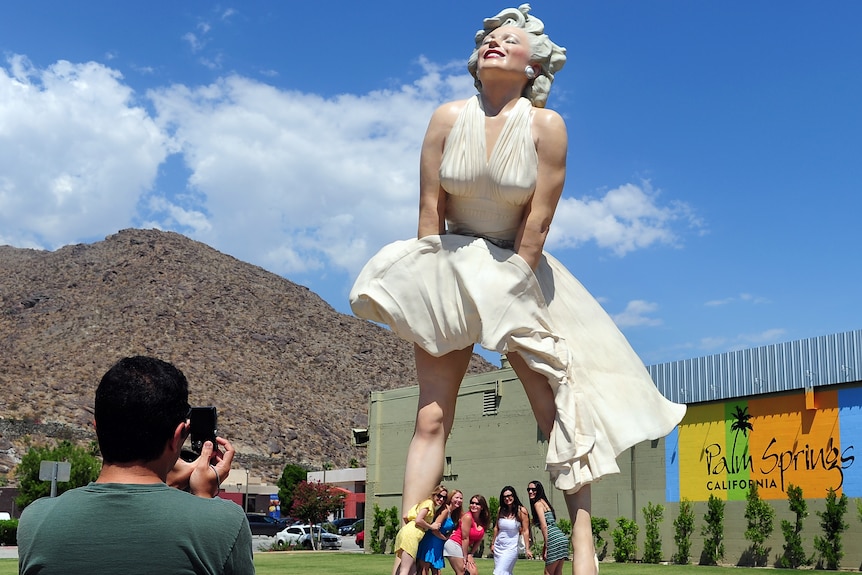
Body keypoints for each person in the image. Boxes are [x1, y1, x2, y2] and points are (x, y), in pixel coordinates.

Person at [350, 5, 686, 574]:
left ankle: (581, 544)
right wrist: (431, 289)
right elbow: (430, 214)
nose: (494, 44)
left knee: (554, 411)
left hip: (520, 272)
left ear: (534, 66)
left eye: (510, 39)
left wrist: (509, 290)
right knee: (431, 418)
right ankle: (408, 555)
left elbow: (538, 223)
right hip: (450, 266)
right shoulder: (445, 118)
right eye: (488, 39)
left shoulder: (545, 127)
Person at [17, 356, 254, 575]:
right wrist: (202, 499)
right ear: (178, 435)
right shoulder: (224, 522)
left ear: (97, 429)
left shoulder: (35, 521)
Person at [393, 485, 447, 575]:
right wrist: (431, 527)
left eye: (444, 497)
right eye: (439, 495)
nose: (441, 499)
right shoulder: (429, 503)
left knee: (412, 570)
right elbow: (418, 520)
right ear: (434, 494)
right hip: (411, 536)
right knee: (405, 570)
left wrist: (410, 528)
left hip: (406, 532)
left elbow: (405, 516)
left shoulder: (423, 503)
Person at [528, 481, 569, 575]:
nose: (530, 491)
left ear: (539, 490)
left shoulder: (537, 504)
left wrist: (546, 547)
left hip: (553, 539)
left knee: (548, 572)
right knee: (557, 572)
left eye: (533, 489)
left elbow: (544, 526)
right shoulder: (544, 502)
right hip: (561, 538)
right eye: (529, 489)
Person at [418, 489, 462, 575]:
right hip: (431, 542)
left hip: (439, 543)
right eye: (456, 497)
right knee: (425, 569)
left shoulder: (454, 513)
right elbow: (434, 529)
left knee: (436, 571)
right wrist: (445, 538)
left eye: (461, 498)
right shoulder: (445, 510)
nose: (459, 500)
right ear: (451, 498)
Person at [444, 494, 490, 575]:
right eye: (472, 503)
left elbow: (479, 539)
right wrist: (465, 557)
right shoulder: (468, 517)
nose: (474, 505)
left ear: (482, 507)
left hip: (463, 547)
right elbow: (465, 538)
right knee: (462, 571)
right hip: (454, 544)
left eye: (477, 504)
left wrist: (471, 554)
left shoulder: (483, 521)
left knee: (474, 572)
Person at [491, 486, 532, 574]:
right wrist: (493, 543)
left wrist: (527, 549)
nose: (507, 498)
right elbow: (496, 527)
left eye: (509, 495)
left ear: (514, 495)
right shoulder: (501, 510)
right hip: (499, 547)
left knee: (499, 572)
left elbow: (525, 530)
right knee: (506, 572)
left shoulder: (521, 511)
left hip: (511, 548)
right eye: (504, 497)